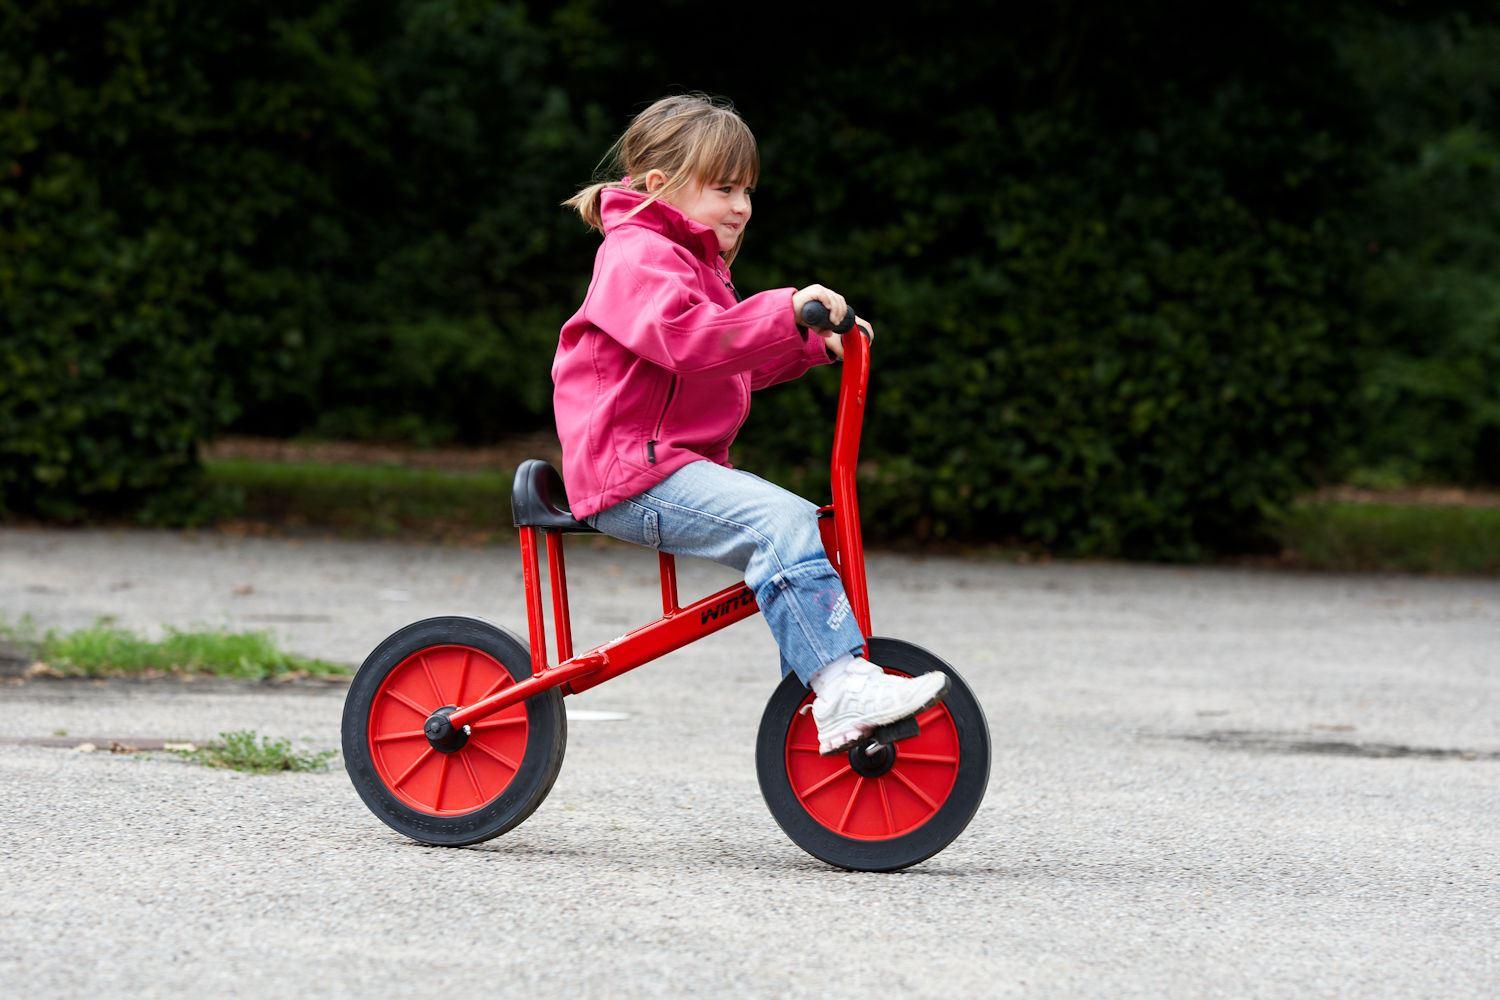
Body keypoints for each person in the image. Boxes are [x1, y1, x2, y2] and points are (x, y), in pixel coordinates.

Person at [554, 93, 947, 755]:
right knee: (781, 521)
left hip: (663, 465)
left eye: (748, 190)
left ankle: (831, 687)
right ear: (660, 187)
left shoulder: (691, 265)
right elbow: (689, 339)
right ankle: (839, 685)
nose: (741, 205)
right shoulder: (638, 259)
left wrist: (806, 345)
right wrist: (787, 310)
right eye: (724, 188)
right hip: (632, 471)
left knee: (798, 524)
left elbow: (721, 360)